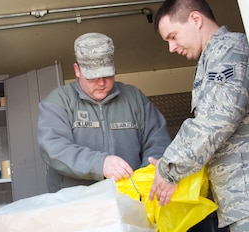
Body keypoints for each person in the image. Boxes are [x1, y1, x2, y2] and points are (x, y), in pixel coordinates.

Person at [148, 0, 249, 232]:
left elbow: (216, 119)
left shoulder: (229, 49)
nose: (171, 47)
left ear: (195, 19)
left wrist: (169, 169)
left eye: (172, 36)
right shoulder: (212, 58)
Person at [37, 32, 171, 193]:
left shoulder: (134, 97)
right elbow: (54, 148)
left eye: (107, 75)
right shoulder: (58, 101)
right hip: (76, 205)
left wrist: (145, 178)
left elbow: (158, 141)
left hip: (129, 200)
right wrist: (100, 163)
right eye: (93, 77)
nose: (101, 83)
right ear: (77, 70)